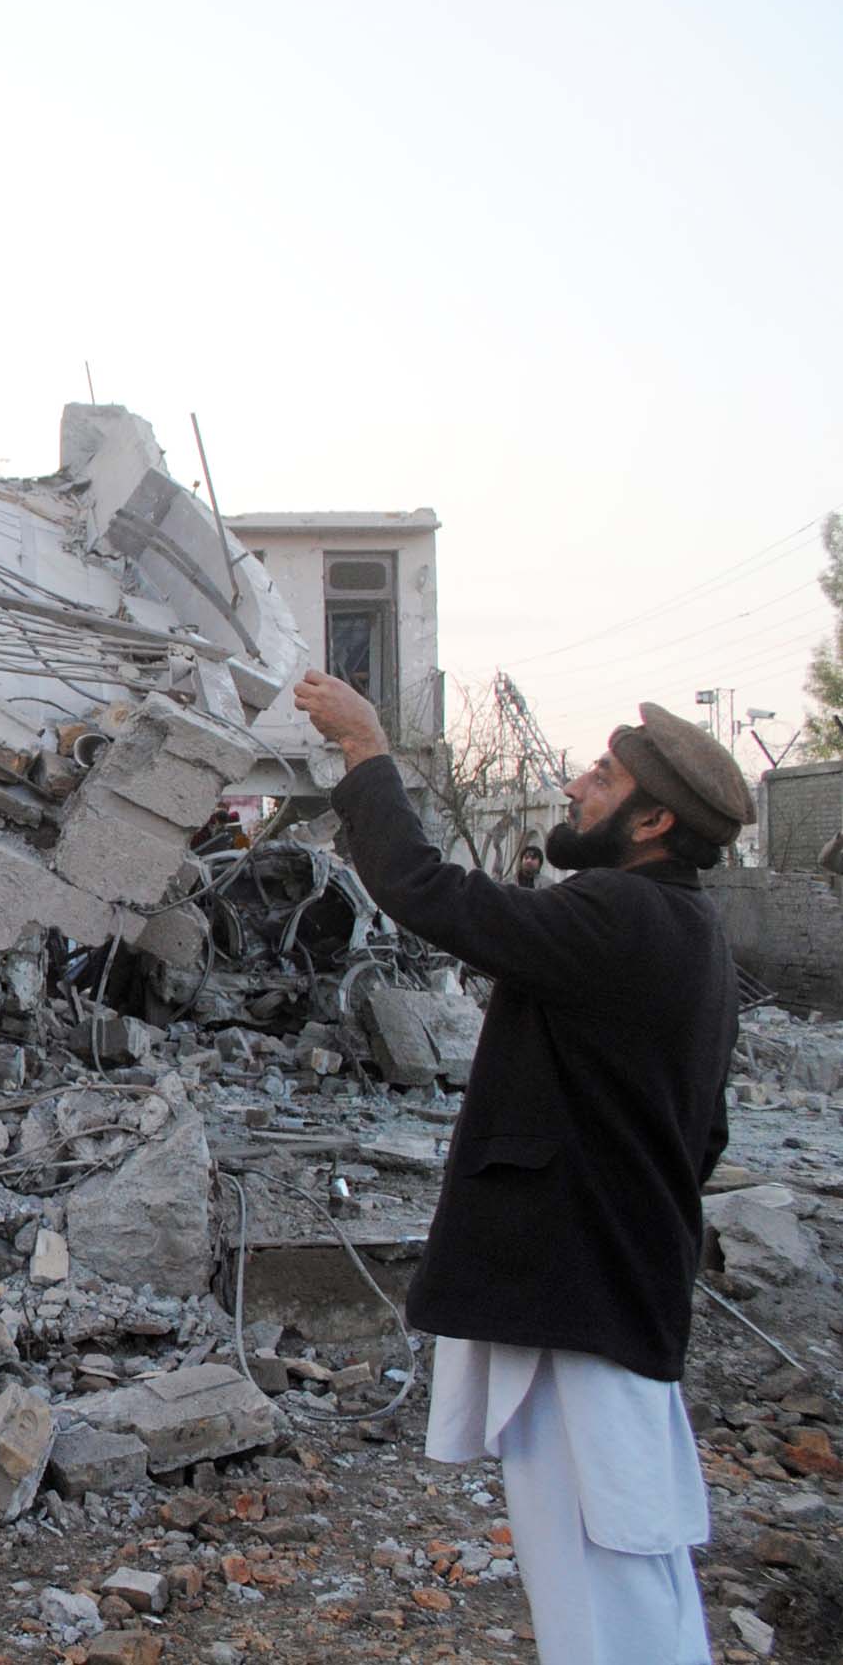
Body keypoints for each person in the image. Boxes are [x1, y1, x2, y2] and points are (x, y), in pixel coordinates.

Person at [294, 671, 749, 1665]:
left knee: (603, 1566)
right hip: (606, 1287)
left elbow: (428, 893)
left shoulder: (623, 915)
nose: (577, 784)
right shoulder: (691, 932)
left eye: (601, 776)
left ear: (652, 817)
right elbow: (701, 1138)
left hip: (581, 1296)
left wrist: (368, 751)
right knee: (623, 1552)